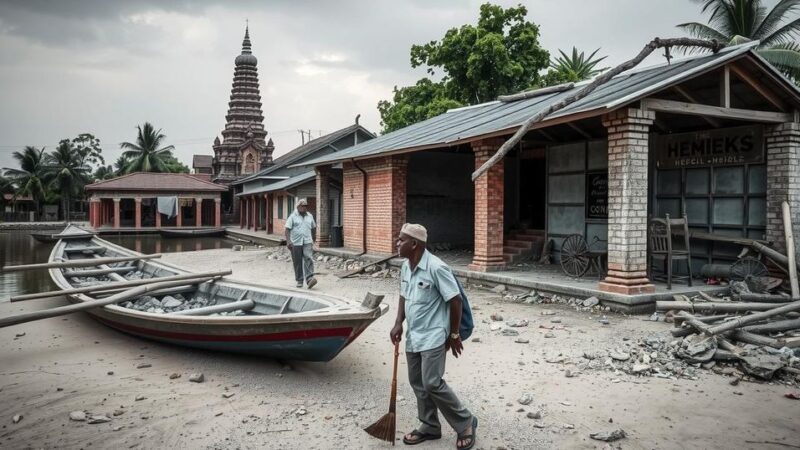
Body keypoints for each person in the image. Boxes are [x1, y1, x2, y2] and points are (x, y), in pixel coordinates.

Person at [390, 223, 477, 450]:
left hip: (434, 336)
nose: (397, 243)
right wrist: (399, 322)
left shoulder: (437, 268)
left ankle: (465, 422)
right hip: (414, 335)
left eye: (401, 240)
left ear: (414, 244)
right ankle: (430, 426)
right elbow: (403, 295)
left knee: (432, 383)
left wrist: (455, 333)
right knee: (418, 383)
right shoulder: (406, 267)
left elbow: (455, 299)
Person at [284, 198, 317, 289]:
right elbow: (287, 229)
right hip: (295, 242)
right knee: (297, 261)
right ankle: (299, 280)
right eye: (302, 206)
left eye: (305, 206)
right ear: (298, 207)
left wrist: (314, 238)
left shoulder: (309, 216)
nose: (304, 208)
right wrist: (288, 241)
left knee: (308, 258)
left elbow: (313, 227)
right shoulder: (292, 216)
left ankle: (309, 278)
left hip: (307, 241)